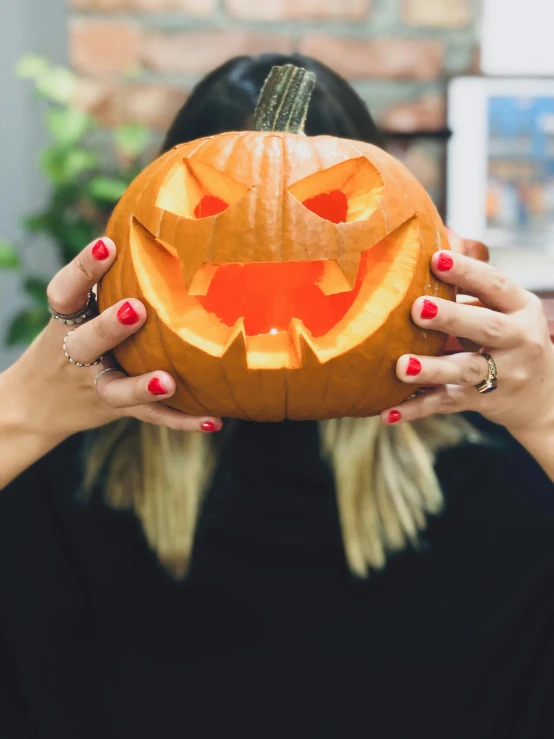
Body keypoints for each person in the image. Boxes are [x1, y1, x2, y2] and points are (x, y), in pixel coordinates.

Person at [0, 53, 553, 739]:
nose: (271, 242)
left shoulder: (504, 478)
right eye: (206, 205)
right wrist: (16, 414)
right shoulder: (56, 475)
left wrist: (548, 417)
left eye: (332, 204)